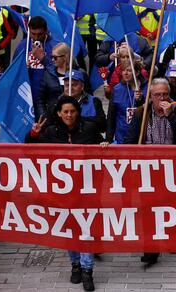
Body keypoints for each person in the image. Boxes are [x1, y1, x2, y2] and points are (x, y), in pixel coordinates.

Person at [27, 95, 107, 291]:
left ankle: (88, 270)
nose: (69, 115)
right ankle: (75, 265)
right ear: (58, 113)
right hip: (63, 192)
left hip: (86, 189)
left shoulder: (88, 128)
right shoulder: (51, 132)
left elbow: (100, 146)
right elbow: (30, 150)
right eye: (66, 112)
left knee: (85, 230)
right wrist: (34, 134)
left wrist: (104, 145)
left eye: (72, 111)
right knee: (71, 230)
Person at [125, 78, 176, 265]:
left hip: (173, 169)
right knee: (148, 208)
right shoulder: (141, 113)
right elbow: (130, 139)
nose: (162, 97)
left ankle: (171, 238)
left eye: (165, 94)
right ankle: (151, 249)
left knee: (171, 207)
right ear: (151, 96)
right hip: (147, 170)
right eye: (157, 95)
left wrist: (172, 116)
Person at [13, 16, 59, 109]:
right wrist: (22, 69)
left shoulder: (56, 46)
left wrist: (42, 58)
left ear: (46, 30)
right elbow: (14, 69)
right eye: (33, 34)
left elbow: (59, 73)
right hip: (27, 94)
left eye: (40, 34)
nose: (36, 37)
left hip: (48, 95)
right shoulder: (23, 46)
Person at [107, 60, 146, 144]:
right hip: (122, 136)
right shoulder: (117, 89)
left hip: (142, 136)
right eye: (123, 70)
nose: (125, 73)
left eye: (129, 70)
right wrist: (108, 140)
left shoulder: (147, 87)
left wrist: (140, 101)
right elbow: (111, 116)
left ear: (137, 73)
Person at [64, 70, 106, 136]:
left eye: (74, 85)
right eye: (67, 85)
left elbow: (103, 126)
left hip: (89, 142)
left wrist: (79, 119)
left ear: (82, 86)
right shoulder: (57, 102)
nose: (70, 88)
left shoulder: (94, 101)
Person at [37, 43, 72, 119]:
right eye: (51, 57)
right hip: (52, 118)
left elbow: (87, 97)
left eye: (55, 57)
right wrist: (44, 117)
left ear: (65, 57)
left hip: (72, 117)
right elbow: (40, 99)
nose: (52, 60)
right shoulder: (48, 74)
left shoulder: (78, 73)